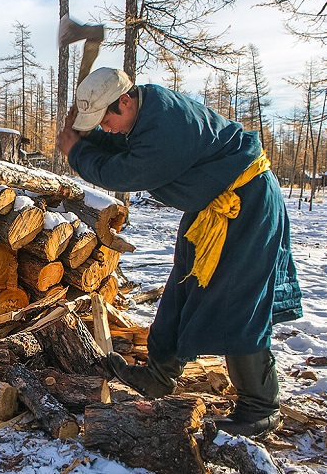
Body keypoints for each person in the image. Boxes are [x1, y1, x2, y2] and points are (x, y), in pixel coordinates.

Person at [56, 67, 302, 437]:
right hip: (212, 204)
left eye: (108, 117)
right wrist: (85, 139)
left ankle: (260, 408)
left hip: (245, 203)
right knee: (183, 285)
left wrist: (77, 152)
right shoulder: (145, 109)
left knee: (238, 298)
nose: (106, 126)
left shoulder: (165, 128)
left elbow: (124, 172)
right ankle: (158, 376)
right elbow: (120, 144)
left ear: (125, 99)